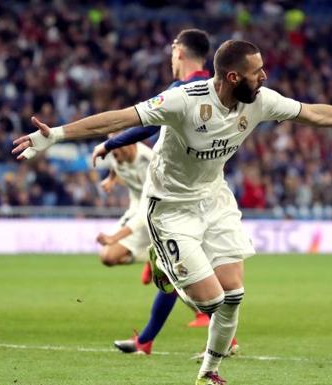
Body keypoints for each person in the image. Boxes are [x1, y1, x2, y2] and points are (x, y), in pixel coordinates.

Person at [12, 39, 332, 385]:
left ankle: (209, 373)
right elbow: (121, 118)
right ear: (232, 78)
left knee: (234, 295)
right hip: (170, 207)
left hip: (214, 199)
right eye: (257, 72)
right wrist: (58, 135)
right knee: (211, 301)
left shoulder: (261, 101)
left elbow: (314, 113)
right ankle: (167, 268)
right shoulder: (183, 101)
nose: (265, 77)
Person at [94, 29, 217, 355]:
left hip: (176, 195)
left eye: (172, 50)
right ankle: (147, 339)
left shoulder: (181, 89)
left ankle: (219, 339)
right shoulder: (218, 90)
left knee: (189, 272)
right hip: (208, 190)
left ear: (178, 52)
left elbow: (147, 124)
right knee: (182, 271)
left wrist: (110, 142)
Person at [96, 140, 153, 266]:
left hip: (156, 213)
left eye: (115, 148)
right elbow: (115, 167)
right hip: (135, 210)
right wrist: (111, 179)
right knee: (107, 257)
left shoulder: (149, 160)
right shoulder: (116, 155)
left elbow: (144, 214)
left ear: (129, 143)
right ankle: (150, 257)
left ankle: (157, 258)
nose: (112, 152)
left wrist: (114, 238)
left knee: (174, 271)